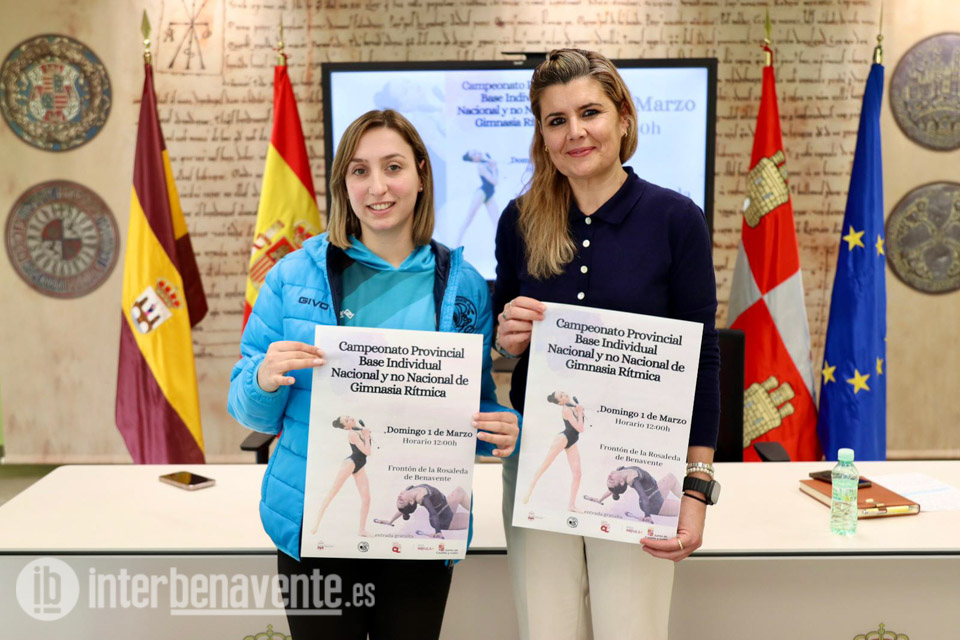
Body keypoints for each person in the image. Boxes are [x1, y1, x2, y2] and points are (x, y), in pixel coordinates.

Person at [228, 109, 520, 640]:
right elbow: (248, 409)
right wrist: (263, 378)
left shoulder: (466, 286)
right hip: (311, 529)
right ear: (344, 181)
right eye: (360, 171)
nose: (377, 186)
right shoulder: (293, 276)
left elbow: (478, 402)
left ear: (421, 174)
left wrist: (501, 426)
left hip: (417, 528)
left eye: (393, 167)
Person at [493, 49, 720, 640]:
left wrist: (695, 491)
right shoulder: (519, 221)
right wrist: (506, 340)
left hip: (641, 464)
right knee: (546, 630)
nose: (575, 132)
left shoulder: (677, 220)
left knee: (632, 631)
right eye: (556, 120)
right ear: (542, 136)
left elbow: (703, 360)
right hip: (540, 463)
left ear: (623, 117)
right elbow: (508, 350)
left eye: (589, 112)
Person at [310, 416, 372, 536]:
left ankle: (362, 530)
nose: (350, 418)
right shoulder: (352, 434)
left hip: (360, 465)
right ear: (345, 427)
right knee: (332, 492)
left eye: (348, 417)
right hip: (350, 464)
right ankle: (315, 524)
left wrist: (365, 432)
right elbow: (367, 452)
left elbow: (366, 448)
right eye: (347, 420)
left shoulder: (359, 429)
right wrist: (367, 435)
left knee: (367, 499)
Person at [522, 391, 585, 510]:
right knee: (545, 464)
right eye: (561, 396)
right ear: (560, 403)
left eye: (562, 393)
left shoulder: (573, 406)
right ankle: (529, 490)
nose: (564, 395)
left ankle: (571, 505)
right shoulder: (566, 410)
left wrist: (579, 410)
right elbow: (580, 428)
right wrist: (580, 412)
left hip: (573, 441)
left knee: (577, 474)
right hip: (563, 439)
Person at [584, 467, 683, 522]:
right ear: (622, 482)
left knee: (671, 477)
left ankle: (687, 497)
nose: (609, 475)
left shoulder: (620, 470)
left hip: (656, 491)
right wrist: (647, 516)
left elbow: (613, 490)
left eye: (609, 479)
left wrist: (600, 499)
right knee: (684, 508)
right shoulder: (632, 479)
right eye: (612, 480)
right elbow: (643, 496)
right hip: (653, 504)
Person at [376, 484, 471, 537]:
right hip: (443, 519)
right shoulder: (423, 498)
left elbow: (403, 510)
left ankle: (475, 511)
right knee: (470, 521)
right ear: (411, 501)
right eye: (401, 500)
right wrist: (438, 532)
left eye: (398, 499)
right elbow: (433, 513)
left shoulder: (409, 489)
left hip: (445, 507)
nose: (399, 496)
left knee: (459, 491)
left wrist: (390, 521)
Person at [456, 150, 500, 246]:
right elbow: (494, 181)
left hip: (490, 194)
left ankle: (500, 247)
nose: (477, 153)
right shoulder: (480, 166)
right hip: (482, 193)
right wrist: (493, 167)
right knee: (469, 218)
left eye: (475, 151)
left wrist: (493, 166)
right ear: (474, 160)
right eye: (474, 154)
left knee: (497, 222)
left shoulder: (488, 157)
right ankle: (456, 244)